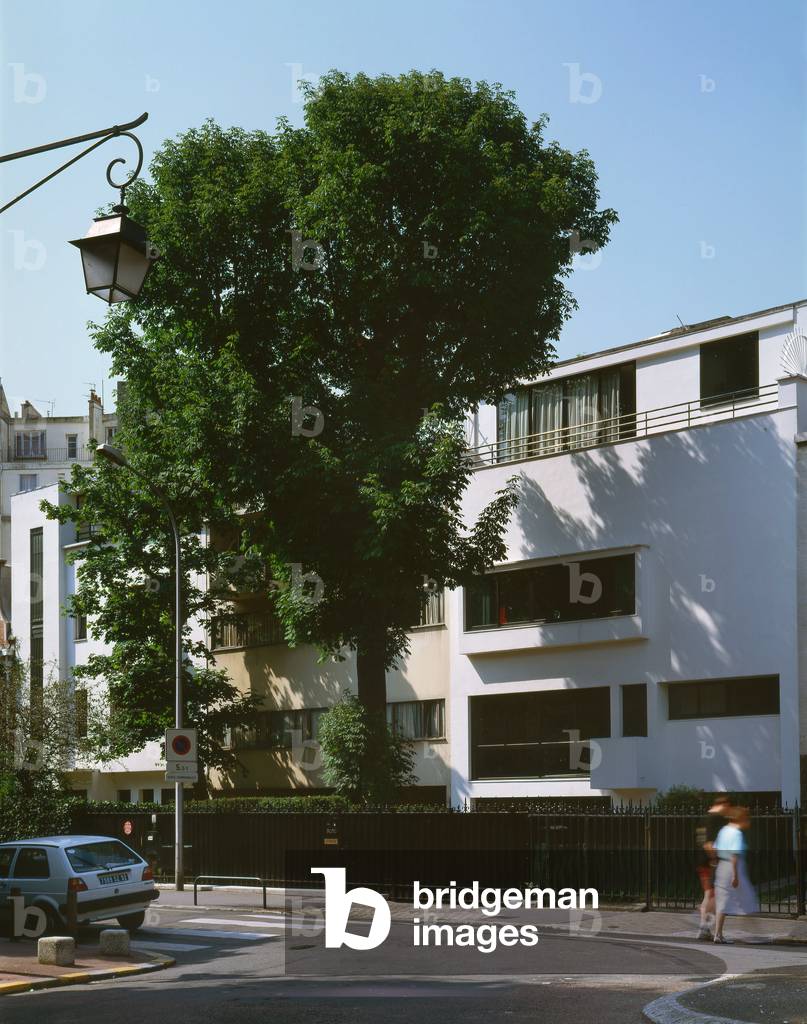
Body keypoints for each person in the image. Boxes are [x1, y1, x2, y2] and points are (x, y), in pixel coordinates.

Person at [713, 806, 759, 944]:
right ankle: (753, 935)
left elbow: (715, 848)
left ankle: (718, 934)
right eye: (746, 818)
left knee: (723, 902)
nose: (748, 821)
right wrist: (735, 875)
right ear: (741, 819)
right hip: (734, 867)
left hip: (721, 866)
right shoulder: (736, 833)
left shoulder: (723, 830)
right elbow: (734, 854)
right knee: (748, 899)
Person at [695, 794, 730, 940]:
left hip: (702, 861)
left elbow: (701, 839)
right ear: (723, 805)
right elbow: (708, 843)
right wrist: (714, 860)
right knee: (713, 895)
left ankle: (705, 927)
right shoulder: (715, 819)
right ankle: (705, 927)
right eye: (727, 807)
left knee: (709, 894)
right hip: (710, 862)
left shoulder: (704, 818)